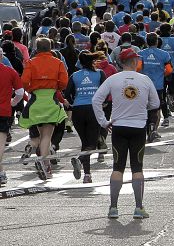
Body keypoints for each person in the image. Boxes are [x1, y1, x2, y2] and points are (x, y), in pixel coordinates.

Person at [92, 47, 160, 219]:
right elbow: (155, 103)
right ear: (135, 62)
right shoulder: (144, 80)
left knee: (118, 166)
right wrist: (141, 105)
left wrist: (103, 122)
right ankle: (138, 207)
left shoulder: (112, 79)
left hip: (118, 126)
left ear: (121, 62)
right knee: (137, 166)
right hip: (138, 126)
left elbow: (96, 100)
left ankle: (113, 207)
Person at [20, 38, 69, 180]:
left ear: (37, 48)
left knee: (40, 135)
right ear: (50, 48)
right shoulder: (58, 62)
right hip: (51, 100)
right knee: (47, 136)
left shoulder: (31, 62)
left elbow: (24, 81)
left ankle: (42, 160)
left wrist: (31, 89)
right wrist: (56, 87)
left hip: (35, 101)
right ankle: (45, 164)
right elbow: (64, 82)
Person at [64, 50, 107, 183]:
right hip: (94, 109)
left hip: (78, 110)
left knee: (85, 143)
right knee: (92, 144)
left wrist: (74, 102)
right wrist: (103, 102)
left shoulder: (75, 75)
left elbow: (67, 94)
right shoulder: (100, 73)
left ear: (80, 62)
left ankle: (87, 175)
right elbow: (105, 90)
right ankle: (79, 160)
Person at [0, 51, 24, 186]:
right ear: (2, 57)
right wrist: (13, 102)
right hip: (3, 111)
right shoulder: (10, 72)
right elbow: (20, 92)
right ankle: (1, 173)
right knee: (1, 143)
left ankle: (1, 172)